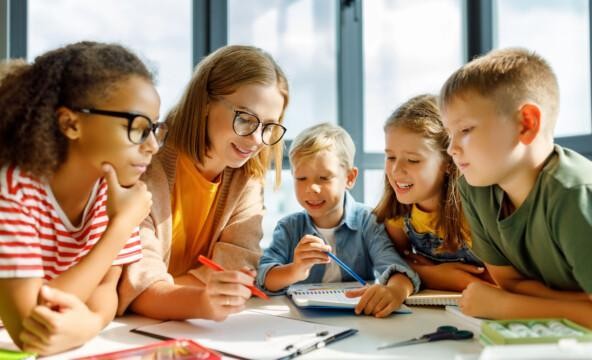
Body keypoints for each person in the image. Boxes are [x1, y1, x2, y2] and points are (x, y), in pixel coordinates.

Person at [0, 41, 165, 355]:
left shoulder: (112, 187)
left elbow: (106, 289)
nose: (153, 146)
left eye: (155, 129)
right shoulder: (12, 190)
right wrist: (120, 226)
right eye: (138, 127)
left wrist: (91, 323)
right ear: (71, 123)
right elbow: (28, 326)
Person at [118, 45, 289, 321]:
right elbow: (138, 289)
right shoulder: (146, 164)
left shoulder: (246, 181)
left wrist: (166, 291)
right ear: (205, 103)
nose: (257, 140)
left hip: (186, 325)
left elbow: (237, 270)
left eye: (269, 126)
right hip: (131, 329)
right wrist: (199, 296)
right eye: (245, 119)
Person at [440, 47, 592, 327]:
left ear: (526, 124)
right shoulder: (476, 189)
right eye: (450, 134)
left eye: (465, 130)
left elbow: (507, 295)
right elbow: (509, 282)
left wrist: (508, 307)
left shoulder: (576, 194)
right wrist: (575, 304)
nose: (451, 148)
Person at [257, 123, 420, 318]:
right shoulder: (289, 227)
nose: (312, 188)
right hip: (301, 319)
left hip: (360, 316)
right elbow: (264, 277)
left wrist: (395, 290)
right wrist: (295, 270)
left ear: (350, 178)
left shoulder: (368, 221)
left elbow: (395, 268)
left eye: (324, 178)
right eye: (301, 178)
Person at [373, 94, 490, 292]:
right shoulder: (398, 212)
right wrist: (438, 275)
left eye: (413, 160)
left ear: (449, 162)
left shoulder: (474, 211)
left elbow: (492, 283)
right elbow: (393, 263)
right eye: (391, 157)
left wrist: (427, 273)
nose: (395, 170)